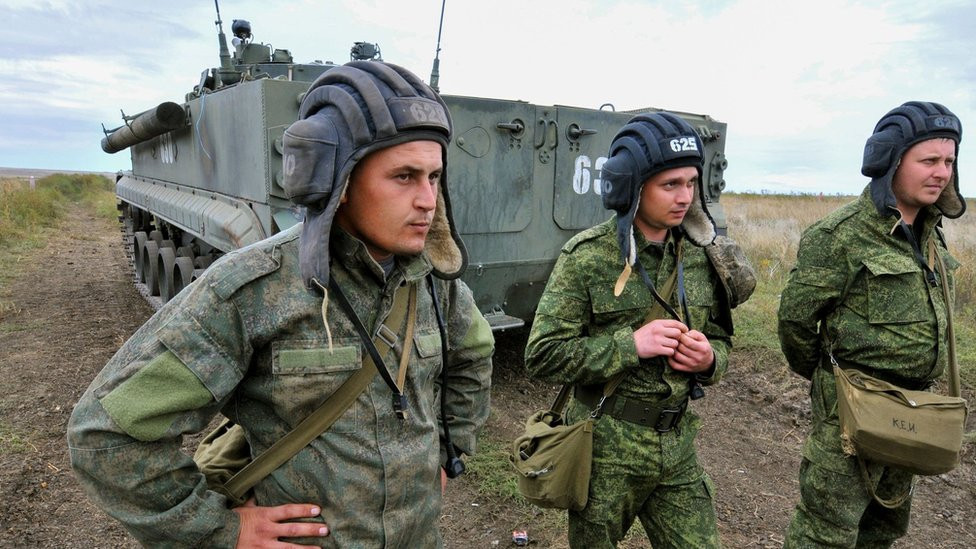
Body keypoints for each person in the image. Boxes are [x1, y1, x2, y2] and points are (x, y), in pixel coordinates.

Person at [67, 61, 494, 548]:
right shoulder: (255, 289)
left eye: (434, 177)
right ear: (337, 179)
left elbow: (473, 357)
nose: (427, 200)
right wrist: (220, 531)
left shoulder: (434, 281)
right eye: (404, 176)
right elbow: (107, 433)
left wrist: (446, 452)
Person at [524, 112, 741, 548]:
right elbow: (543, 354)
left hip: (676, 445)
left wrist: (710, 359)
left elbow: (721, 338)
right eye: (670, 185)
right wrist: (630, 345)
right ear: (631, 187)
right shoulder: (586, 257)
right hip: (604, 449)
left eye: (691, 183)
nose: (685, 197)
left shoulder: (702, 257)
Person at [778, 101, 964, 548]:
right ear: (891, 162)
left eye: (950, 161)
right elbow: (795, 325)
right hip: (852, 415)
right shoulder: (839, 235)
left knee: (883, 531)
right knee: (826, 535)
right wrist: (832, 385)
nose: (941, 172)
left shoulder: (931, 236)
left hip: (913, 411)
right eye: (929, 160)